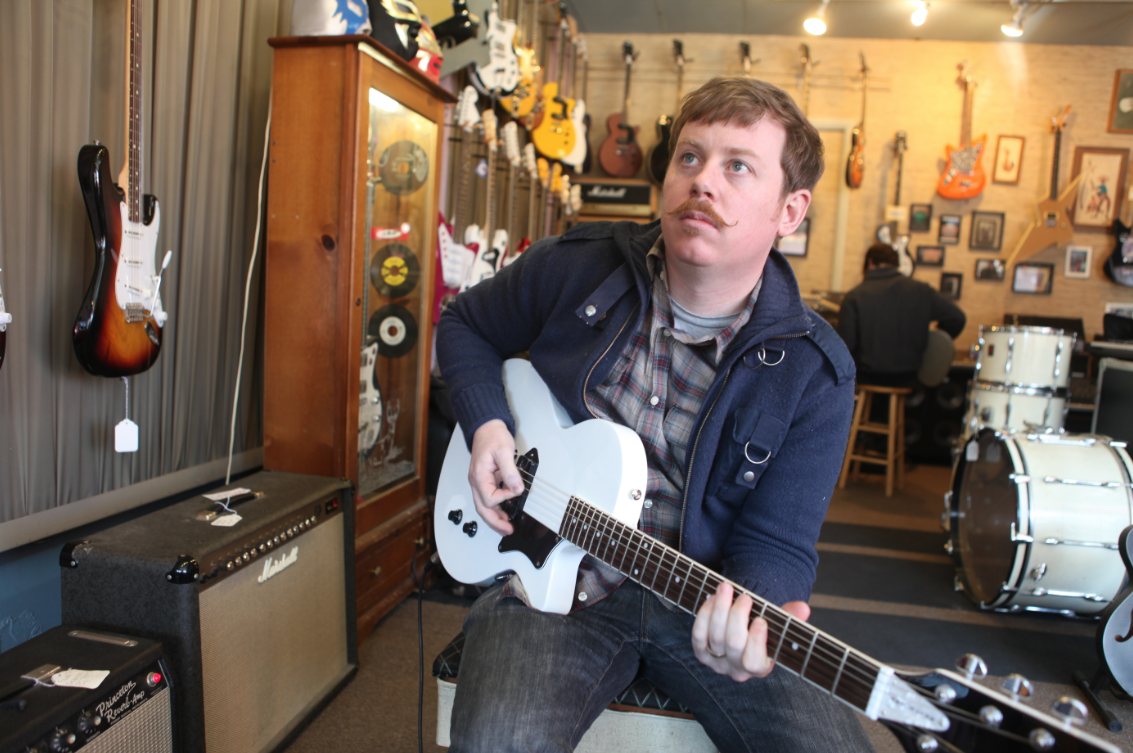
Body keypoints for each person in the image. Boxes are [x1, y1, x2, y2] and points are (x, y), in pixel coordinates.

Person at [436, 76, 874, 753]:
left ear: (790, 210)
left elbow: (778, 542)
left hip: (698, 599)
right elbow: (464, 323)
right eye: (689, 157)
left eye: (737, 166)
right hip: (550, 575)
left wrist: (749, 616)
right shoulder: (578, 265)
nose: (703, 182)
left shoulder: (817, 368)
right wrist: (486, 425)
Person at [837, 244, 966, 387]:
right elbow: (957, 318)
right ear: (896, 264)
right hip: (909, 377)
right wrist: (932, 342)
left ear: (870, 263)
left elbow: (845, 346)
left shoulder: (854, 297)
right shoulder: (922, 291)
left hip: (866, 376)